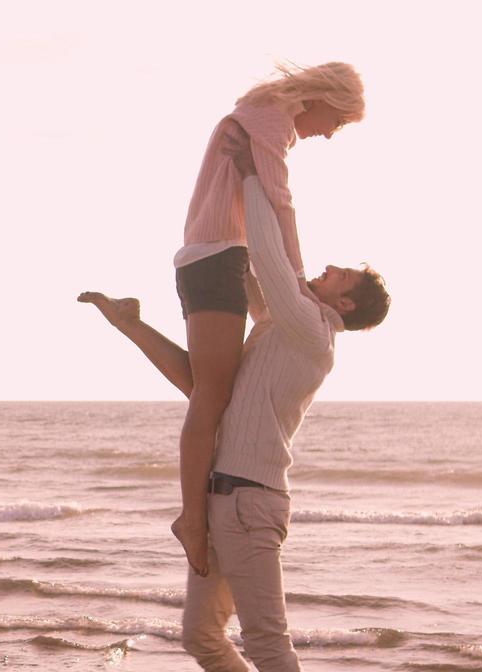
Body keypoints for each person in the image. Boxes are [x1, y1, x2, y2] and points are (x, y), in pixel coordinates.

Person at [78, 128, 390, 672]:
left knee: (268, 641)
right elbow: (244, 279)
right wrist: (240, 193)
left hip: (249, 501)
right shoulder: (280, 326)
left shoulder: (312, 331)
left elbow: (273, 268)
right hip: (221, 497)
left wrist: (255, 172)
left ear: (344, 305)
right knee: (200, 634)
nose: (325, 270)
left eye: (339, 276)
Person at [173, 63, 366, 578]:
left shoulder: (262, 117)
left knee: (214, 386)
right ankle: (192, 519)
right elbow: (279, 204)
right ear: (326, 99)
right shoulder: (272, 121)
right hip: (217, 254)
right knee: (210, 395)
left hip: (213, 253)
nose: (330, 133)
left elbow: (270, 197)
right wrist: (298, 277)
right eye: (339, 121)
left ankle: (128, 324)